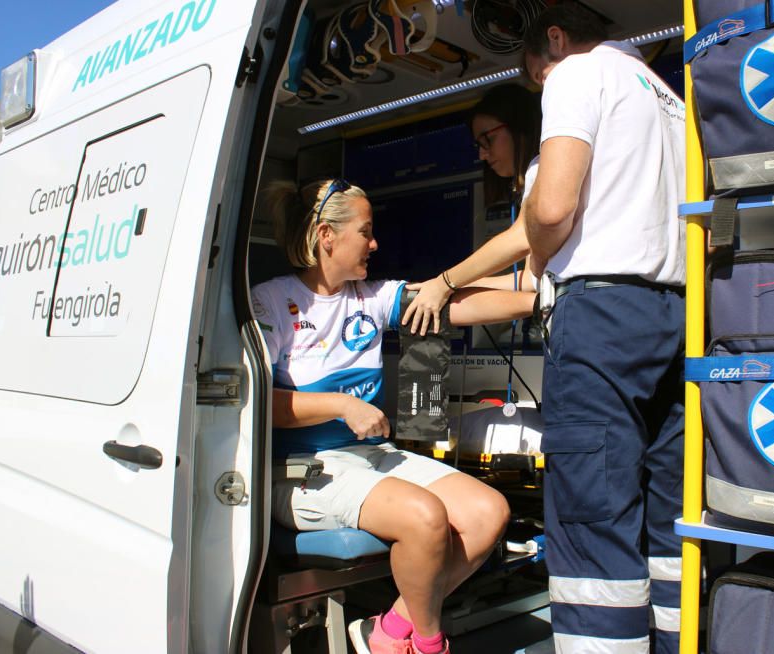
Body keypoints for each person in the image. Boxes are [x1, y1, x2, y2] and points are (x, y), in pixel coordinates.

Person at [250, 178, 536, 654]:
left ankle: (391, 629)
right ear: (327, 236)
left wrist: (537, 300)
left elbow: (454, 303)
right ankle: (428, 642)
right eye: (366, 231)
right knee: (426, 519)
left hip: (371, 457)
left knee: (489, 513)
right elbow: (259, 402)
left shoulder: (372, 296)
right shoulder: (271, 302)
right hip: (300, 470)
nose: (375, 242)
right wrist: (341, 404)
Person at [520, 4, 687, 653]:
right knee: (667, 522)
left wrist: (537, 248)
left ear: (554, 40)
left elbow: (555, 205)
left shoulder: (576, 74)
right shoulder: (666, 95)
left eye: (536, 75)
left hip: (602, 321)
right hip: (677, 316)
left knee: (595, 521)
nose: (543, 87)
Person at [402, 83, 541, 336]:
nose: (483, 154)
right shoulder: (535, 176)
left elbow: (521, 238)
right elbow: (532, 281)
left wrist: (446, 282)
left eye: (488, 140)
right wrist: (462, 283)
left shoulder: (542, 168)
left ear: (519, 126)